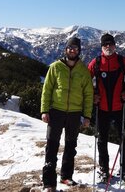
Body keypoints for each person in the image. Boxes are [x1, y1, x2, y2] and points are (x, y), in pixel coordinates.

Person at [40, 37, 93, 192]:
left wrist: (87, 116)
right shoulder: (55, 67)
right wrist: (44, 110)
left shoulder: (83, 70)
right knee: (52, 146)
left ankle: (66, 176)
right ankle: (49, 182)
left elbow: (88, 94)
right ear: (65, 50)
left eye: (75, 48)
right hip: (56, 111)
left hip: (75, 114)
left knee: (71, 146)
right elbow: (47, 89)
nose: (72, 50)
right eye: (70, 48)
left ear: (79, 51)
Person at [88, 33, 125, 183]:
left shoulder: (122, 61)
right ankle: (104, 169)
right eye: (105, 44)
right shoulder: (95, 63)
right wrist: (93, 94)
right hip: (102, 108)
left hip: (119, 107)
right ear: (102, 47)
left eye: (111, 44)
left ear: (115, 45)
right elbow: (84, 81)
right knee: (102, 140)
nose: (108, 47)